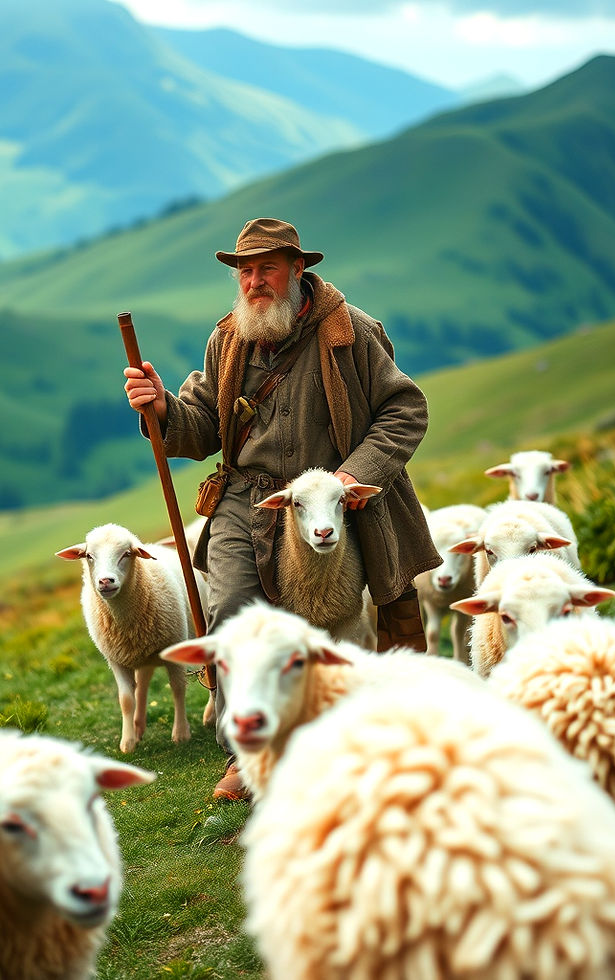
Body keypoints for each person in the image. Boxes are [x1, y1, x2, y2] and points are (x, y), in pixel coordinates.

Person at [123, 217, 441, 800]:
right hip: (247, 499)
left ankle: (358, 736)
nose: (254, 283)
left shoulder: (352, 332)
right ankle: (247, 756)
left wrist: (352, 478)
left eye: (267, 268)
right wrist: (161, 409)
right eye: (245, 271)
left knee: (349, 621)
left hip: (329, 498)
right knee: (235, 617)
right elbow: (199, 429)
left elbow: (406, 410)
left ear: (298, 269)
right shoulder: (228, 340)